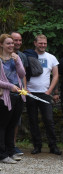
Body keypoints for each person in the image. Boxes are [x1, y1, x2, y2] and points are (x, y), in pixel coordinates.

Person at [25, 34, 61, 155]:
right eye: (40, 43)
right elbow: (22, 73)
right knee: (33, 120)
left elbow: (56, 75)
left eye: (45, 43)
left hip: (45, 93)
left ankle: (53, 146)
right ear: (35, 43)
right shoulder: (28, 56)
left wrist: (50, 90)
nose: (43, 45)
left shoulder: (51, 57)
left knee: (49, 120)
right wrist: (25, 89)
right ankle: (37, 146)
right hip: (30, 92)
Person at [0, 34, 26, 164]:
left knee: (12, 124)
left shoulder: (16, 58)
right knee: (3, 125)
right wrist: (10, 86)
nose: (11, 45)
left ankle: (11, 151)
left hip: (18, 95)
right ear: (1, 45)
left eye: (12, 43)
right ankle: (2, 154)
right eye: (8, 43)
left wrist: (17, 61)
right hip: (5, 96)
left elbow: (22, 74)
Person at [10, 31, 28, 156]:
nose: (18, 43)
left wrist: (25, 89)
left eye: (19, 40)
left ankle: (13, 145)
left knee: (16, 120)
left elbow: (24, 75)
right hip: (6, 91)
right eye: (15, 40)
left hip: (19, 92)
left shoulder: (22, 56)